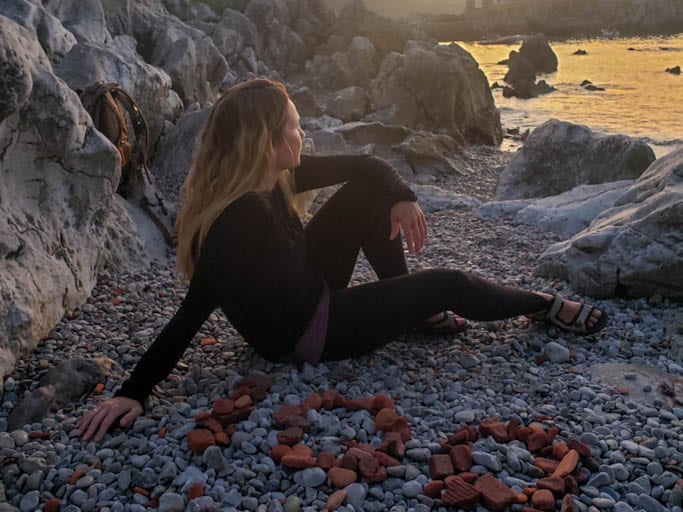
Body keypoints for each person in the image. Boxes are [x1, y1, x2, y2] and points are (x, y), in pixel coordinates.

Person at [76, 79, 608, 442]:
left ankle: (412, 310)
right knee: (449, 281)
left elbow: (368, 164)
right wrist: (134, 393)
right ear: (267, 142)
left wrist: (404, 195)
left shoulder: (275, 176)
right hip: (308, 332)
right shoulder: (240, 221)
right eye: (294, 126)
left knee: (366, 192)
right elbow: (190, 314)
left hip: (304, 284)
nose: (301, 134)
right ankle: (544, 305)